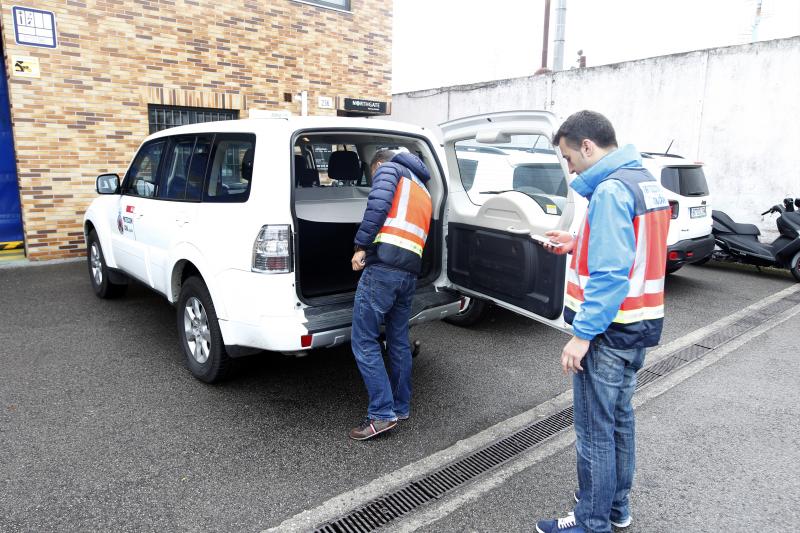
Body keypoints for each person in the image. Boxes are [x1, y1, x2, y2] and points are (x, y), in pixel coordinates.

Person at [535, 111, 671, 533]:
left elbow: (612, 274)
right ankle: (615, 508)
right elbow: (632, 250)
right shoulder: (643, 181)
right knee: (619, 421)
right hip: (639, 327)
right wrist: (577, 242)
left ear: (587, 146)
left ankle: (591, 521)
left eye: (568, 157)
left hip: (608, 333)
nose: (568, 167)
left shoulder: (611, 191)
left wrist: (582, 335)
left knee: (595, 429)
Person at [348, 149, 433, 441]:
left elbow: (377, 206)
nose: (375, 181)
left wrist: (360, 246)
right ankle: (400, 406)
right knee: (397, 341)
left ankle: (382, 415)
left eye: (373, 176)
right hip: (409, 273)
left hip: (383, 269)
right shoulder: (422, 187)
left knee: (363, 340)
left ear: (379, 165)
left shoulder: (389, 170)